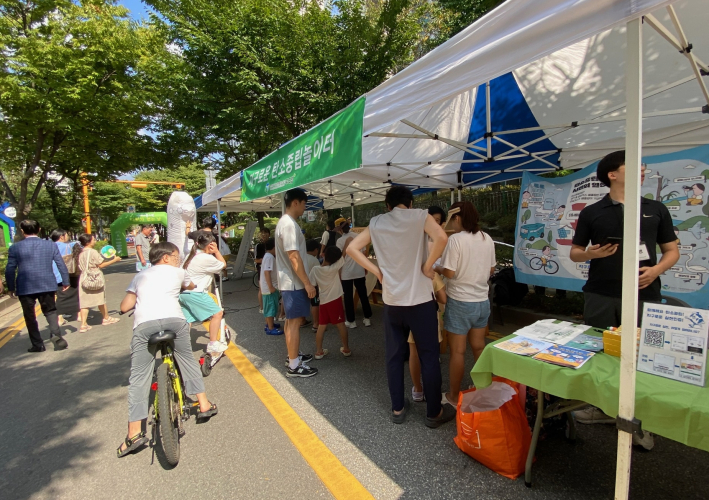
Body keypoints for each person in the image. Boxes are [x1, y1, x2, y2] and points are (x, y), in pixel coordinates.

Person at [570, 150, 679, 449]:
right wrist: (591, 253)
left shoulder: (656, 209)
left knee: (644, 356)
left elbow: (672, 251)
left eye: (643, 165)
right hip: (601, 294)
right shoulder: (593, 212)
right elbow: (575, 252)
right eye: (633, 164)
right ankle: (599, 407)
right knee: (601, 353)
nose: (642, 169)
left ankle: (642, 420)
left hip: (645, 295)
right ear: (612, 174)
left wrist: (655, 270)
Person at [345, 186, 454, 427]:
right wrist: (428, 267)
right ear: (411, 203)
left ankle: (397, 409)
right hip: (421, 302)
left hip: (392, 302)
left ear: (388, 205)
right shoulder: (419, 216)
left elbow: (352, 248)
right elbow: (442, 237)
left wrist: (375, 270)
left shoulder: (376, 222)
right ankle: (433, 413)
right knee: (428, 357)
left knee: (394, 357)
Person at [118, 242, 217, 458]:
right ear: (164, 258)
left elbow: (124, 307)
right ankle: (203, 404)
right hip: (174, 321)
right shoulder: (179, 273)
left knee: (139, 377)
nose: (177, 259)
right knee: (187, 360)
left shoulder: (140, 277)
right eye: (175, 256)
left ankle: (134, 433)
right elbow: (190, 287)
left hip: (145, 326)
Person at [434, 201, 495, 406]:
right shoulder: (487, 238)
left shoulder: (456, 240)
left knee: (458, 352)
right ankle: (485, 390)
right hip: (482, 302)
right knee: (478, 347)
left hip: (460, 301)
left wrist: (437, 267)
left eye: (452, 219)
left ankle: (453, 396)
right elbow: (491, 270)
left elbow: (450, 272)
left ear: (457, 218)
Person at [5, 220, 70, 352]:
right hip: (47, 283)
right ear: (39, 229)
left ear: (22, 231)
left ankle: (37, 344)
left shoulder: (15, 248)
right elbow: (60, 263)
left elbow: (10, 269)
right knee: (50, 311)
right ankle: (56, 336)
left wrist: (11, 287)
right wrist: (65, 281)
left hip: (25, 286)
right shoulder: (50, 245)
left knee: (29, 316)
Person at [276, 188, 317, 378]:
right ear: (295, 203)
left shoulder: (285, 223)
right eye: (304, 203)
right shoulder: (289, 225)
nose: (304, 207)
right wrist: (307, 283)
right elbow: (294, 257)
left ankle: (293, 355)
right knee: (293, 323)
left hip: (289, 282)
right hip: (293, 283)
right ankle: (293, 365)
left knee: (290, 322)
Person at [410, 205, 448, 401]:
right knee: (424, 351)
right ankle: (429, 400)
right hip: (426, 299)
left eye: (438, 219)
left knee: (417, 348)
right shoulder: (420, 241)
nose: (435, 223)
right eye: (431, 219)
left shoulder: (441, 242)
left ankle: (420, 390)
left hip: (421, 299)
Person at [179, 232, 226, 356]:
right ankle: (213, 343)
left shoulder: (191, 255)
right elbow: (223, 265)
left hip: (184, 294)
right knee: (217, 313)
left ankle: (181, 346)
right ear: (211, 245)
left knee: (187, 320)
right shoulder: (206, 258)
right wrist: (216, 251)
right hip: (196, 293)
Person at [309, 246, 351, 359]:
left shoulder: (315, 270)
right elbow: (344, 254)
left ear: (323, 254)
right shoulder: (334, 267)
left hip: (323, 301)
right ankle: (346, 348)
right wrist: (347, 242)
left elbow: (312, 284)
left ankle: (319, 351)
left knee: (321, 326)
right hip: (335, 300)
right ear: (335, 259)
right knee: (340, 324)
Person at [78, 233, 122, 332]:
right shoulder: (93, 252)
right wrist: (114, 260)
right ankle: (106, 318)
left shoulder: (80, 253)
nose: (95, 241)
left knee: (84, 302)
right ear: (88, 242)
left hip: (84, 278)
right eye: (93, 240)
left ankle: (83, 324)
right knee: (100, 298)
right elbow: (101, 265)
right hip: (95, 277)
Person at [336, 222, 372, 328]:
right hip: (359, 270)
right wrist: (365, 268)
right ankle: (367, 318)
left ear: (340, 230)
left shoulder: (340, 241)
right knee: (363, 295)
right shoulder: (358, 237)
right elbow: (364, 254)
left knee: (348, 296)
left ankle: (351, 321)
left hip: (346, 272)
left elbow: (340, 257)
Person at [51, 229, 81, 323]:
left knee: (59, 296)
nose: (68, 236)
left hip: (54, 275)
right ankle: (79, 315)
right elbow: (81, 245)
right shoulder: (69, 245)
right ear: (61, 236)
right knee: (76, 294)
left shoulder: (49, 246)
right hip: (69, 274)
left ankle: (59, 318)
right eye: (67, 235)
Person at [260, 238, 282, 335]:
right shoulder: (269, 257)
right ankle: (270, 327)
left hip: (268, 287)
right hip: (269, 288)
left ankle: (269, 324)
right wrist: (271, 287)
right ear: (274, 247)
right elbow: (267, 272)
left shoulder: (267, 256)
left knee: (270, 307)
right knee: (271, 308)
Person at [306, 239, 321, 331]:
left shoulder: (301, 257)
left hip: (301, 285)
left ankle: (302, 320)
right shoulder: (314, 260)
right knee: (315, 303)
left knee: (303, 302)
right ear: (316, 249)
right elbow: (318, 275)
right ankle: (316, 324)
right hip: (312, 285)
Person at [255, 228, 272, 313]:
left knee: (272, 287)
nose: (264, 235)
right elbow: (256, 260)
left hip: (272, 268)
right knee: (262, 288)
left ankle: (270, 306)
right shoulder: (259, 246)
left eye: (266, 233)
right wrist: (265, 259)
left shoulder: (273, 243)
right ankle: (262, 307)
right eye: (262, 233)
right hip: (261, 268)